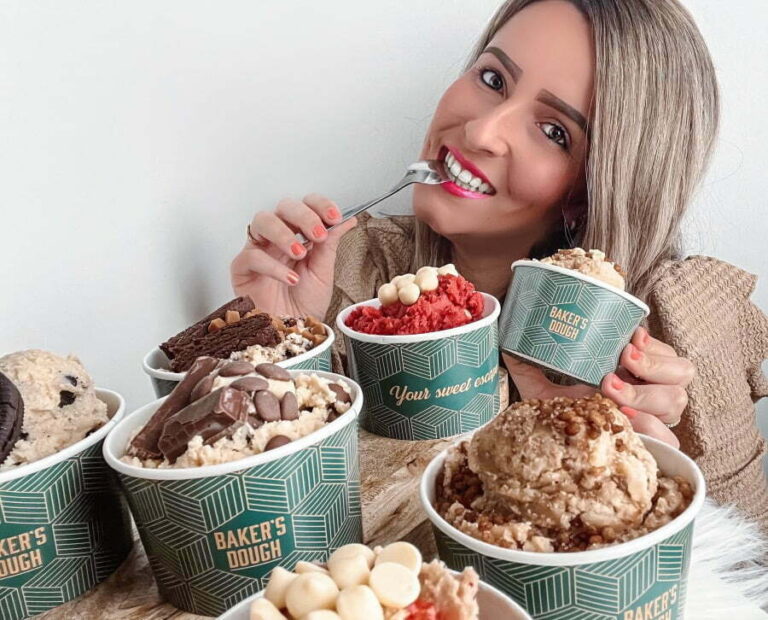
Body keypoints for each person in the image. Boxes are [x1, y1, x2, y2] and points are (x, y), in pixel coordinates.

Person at [230, 0, 768, 532]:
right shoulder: (350, 269)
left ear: (590, 193)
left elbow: (743, 568)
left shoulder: (681, 327)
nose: (482, 132)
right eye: (493, 78)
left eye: (555, 132)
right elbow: (259, 520)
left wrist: (626, 488)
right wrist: (282, 338)